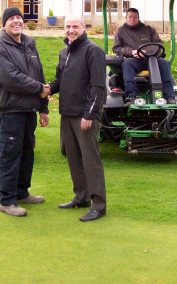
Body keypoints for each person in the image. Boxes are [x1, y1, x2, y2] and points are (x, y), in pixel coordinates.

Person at [0, 7, 50, 217]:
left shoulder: (29, 44)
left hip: (29, 110)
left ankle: (22, 192)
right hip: (11, 110)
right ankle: (6, 200)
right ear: (4, 24)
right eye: (11, 18)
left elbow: (39, 73)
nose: (16, 21)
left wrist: (43, 108)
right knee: (10, 154)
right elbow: (10, 78)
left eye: (19, 18)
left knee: (27, 152)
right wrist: (38, 88)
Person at [49, 15, 107, 222]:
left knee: (90, 161)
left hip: (84, 116)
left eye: (75, 26)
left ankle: (98, 204)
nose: (71, 30)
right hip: (67, 114)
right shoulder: (65, 52)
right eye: (68, 26)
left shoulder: (93, 51)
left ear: (84, 27)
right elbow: (59, 81)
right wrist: (46, 90)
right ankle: (81, 197)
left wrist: (89, 114)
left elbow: (98, 87)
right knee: (74, 160)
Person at [112, 8, 176, 103]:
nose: (132, 19)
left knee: (165, 63)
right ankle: (132, 96)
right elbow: (116, 48)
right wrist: (132, 52)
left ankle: (170, 96)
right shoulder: (121, 31)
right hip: (133, 60)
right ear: (126, 18)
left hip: (151, 58)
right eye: (130, 17)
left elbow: (158, 45)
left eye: (135, 17)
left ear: (138, 18)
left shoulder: (148, 30)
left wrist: (146, 52)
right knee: (127, 63)